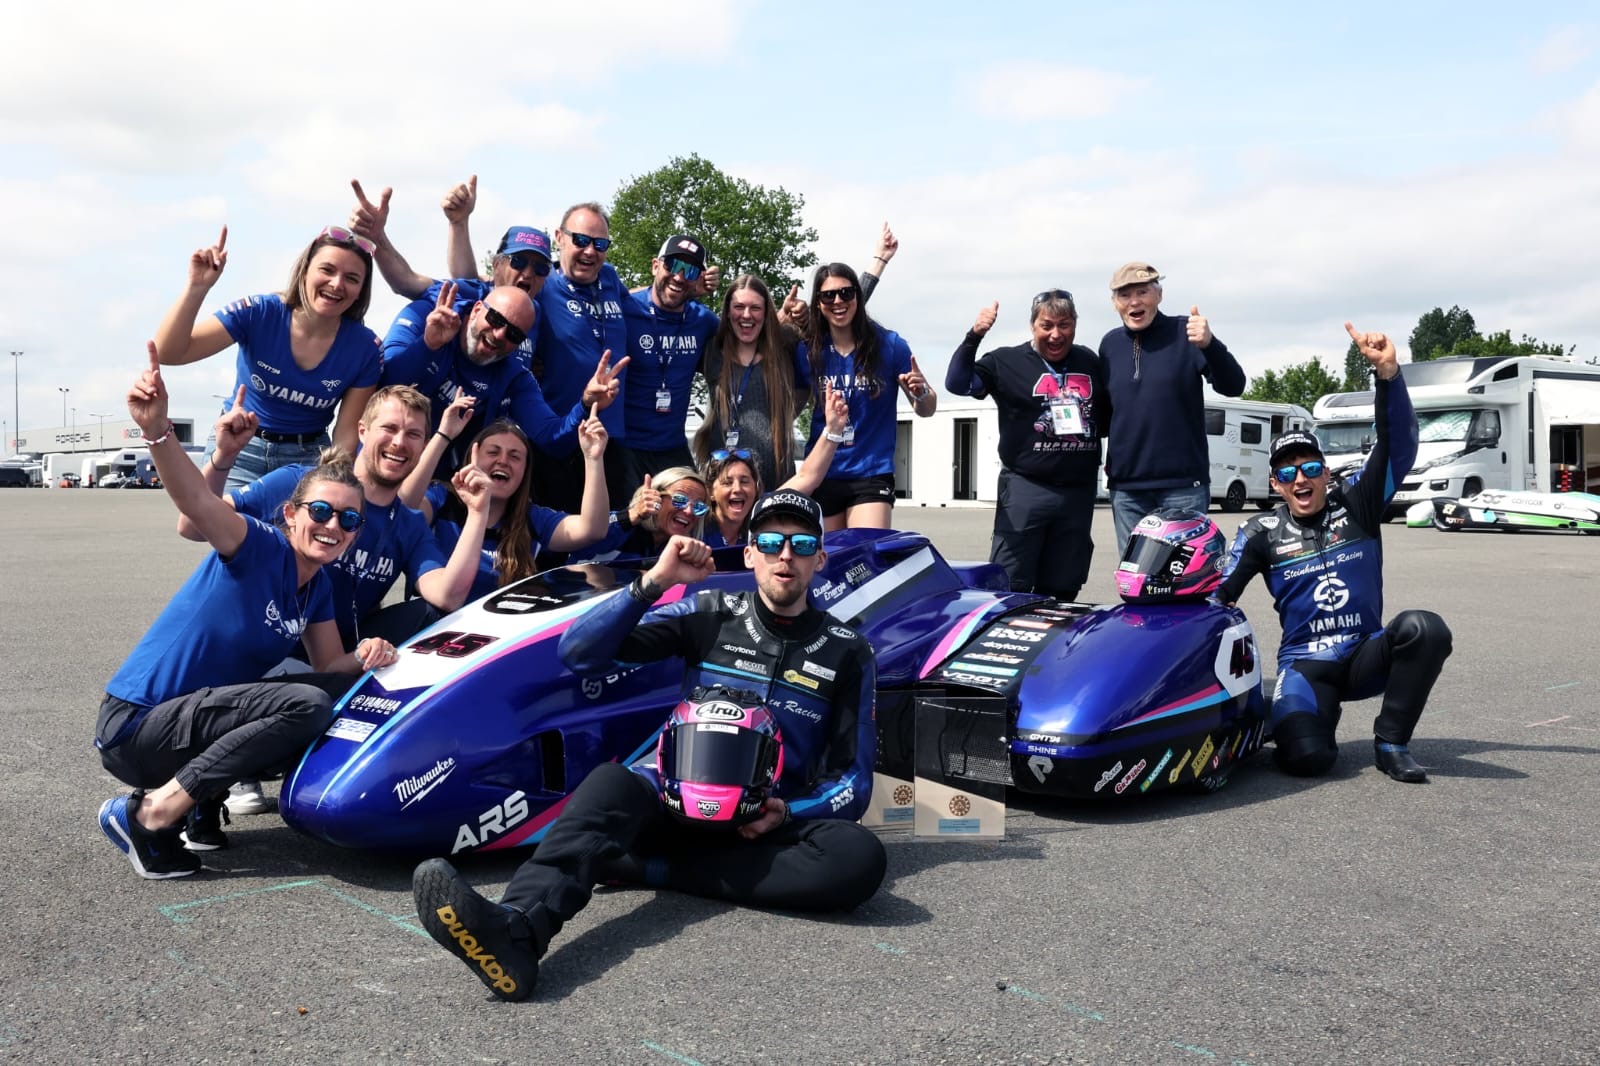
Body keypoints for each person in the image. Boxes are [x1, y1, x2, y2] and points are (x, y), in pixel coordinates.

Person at [411, 489, 884, 1001]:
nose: (784, 556)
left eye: (801, 544)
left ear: (820, 558)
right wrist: (653, 582)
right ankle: (517, 927)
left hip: (761, 826)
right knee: (610, 783)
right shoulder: (710, 611)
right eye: (770, 543)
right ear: (750, 554)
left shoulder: (848, 652)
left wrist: (786, 812)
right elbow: (579, 653)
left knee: (857, 857)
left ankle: (648, 866)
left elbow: (853, 781)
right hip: (675, 803)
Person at [96, 343, 400, 879]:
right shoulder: (258, 545)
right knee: (305, 705)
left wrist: (371, 654)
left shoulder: (317, 586)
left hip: (191, 722)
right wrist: (158, 430)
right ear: (291, 514)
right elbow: (196, 504)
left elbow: (331, 665)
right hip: (136, 726)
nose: (333, 526)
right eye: (321, 511)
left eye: (348, 520)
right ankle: (151, 813)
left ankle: (192, 811)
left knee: (340, 694)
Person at [179, 383, 491, 817]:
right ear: (362, 430)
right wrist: (222, 458)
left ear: (424, 445)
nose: (400, 442)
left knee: (426, 616)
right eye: (389, 428)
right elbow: (193, 526)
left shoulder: (407, 523)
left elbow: (448, 594)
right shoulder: (302, 484)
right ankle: (221, 766)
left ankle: (364, 756)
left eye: (413, 434)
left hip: (331, 656)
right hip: (262, 654)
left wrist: (478, 512)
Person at [1217, 323, 1452, 783]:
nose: (1300, 479)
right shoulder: (1259, 531)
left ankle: (1391, 743)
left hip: (1365, 655)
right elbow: (1218, 596)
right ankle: (1281, 718)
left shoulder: (1358, 503)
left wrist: (1388, 376)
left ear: (1325, 473)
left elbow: (1398, 447)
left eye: (1309, 467)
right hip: (1306, 667)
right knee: (1308, 761)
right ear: (1276, 485)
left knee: (1425, 629)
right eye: (1288, 473)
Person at [154, 225, 383, 490]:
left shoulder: (365, 349)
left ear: (361, 290)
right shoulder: (259, 312)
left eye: (352, 278)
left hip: (307, 458)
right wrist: (196, 287)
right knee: (209, 516)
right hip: (238, 446)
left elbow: (345, 436)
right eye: (327, 270)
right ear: (305, 270)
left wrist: (334, 486)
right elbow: (169, 352)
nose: (337, 284)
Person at [945, 290, 1108, 600]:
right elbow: (957, 383)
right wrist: (974, 336)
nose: (1056, 334)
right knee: (1011, 583)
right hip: (1025, 488)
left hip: (1078, 492)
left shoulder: (1089, 360)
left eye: (1065, 325)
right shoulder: (1006, 361)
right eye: (1047, 325)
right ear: (1033, 326)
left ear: (1075, 325)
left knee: (1064, 586)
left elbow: (1110, 414)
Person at [378, 283, 623, 476]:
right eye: (496, 319)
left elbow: (552, 439)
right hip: (385, 460)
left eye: (514, 334)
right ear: (477, 309)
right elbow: (383, 386)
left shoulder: (514, 377)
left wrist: (586, 405)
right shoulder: (427, 317)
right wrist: (428, 345)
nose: (499, 334)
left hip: (444, 485)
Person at [1097, 262, 1246, 555]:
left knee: (1184, 574)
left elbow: (1234, 385)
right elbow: (1106, 415)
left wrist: (1210, 344)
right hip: (1127, 490)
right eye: (1125, 295)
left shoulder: (1186, 333)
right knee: (1135, 574)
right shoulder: (1109, 345)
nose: (1134, 301)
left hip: (1183, 487)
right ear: (1115, 303)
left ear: (1159, 295)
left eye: (1143, 292)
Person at [402, 410, 611, 601]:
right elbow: (404, 508)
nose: (503, 461)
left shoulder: (532, 518)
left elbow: (592, 529)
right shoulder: (442, 498)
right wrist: (443, 436)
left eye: (514, 456)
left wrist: (593, 459)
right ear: (472, 458)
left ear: (524, 472)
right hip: (437, 621)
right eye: (493, 452)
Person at [798, 263, 936, 530]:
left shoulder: (890, 345)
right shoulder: (807, 351)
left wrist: (921, 393)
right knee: (829, 554)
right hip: (823, 470)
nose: (838, 301)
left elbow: (927, 408)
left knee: (865, 549)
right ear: (818, 303)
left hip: (871, 472)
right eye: (828, 295)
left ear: (858, 297)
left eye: (846, 293)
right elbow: (791, 408)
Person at [608, 235, 721, 506]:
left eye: (690, 271)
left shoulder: (703, 320)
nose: (679, 277)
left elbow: (746, 329)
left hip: (672, 447)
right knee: (629, 523)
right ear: (655, 265)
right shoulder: (626, 308)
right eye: (672, 265)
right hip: (625, 448)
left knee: (693, 514)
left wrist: (786, 319)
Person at [701, 382, 849, 548]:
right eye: (727, 482)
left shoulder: (761, 512)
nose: (737, 489)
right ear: (710, 492)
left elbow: (807, 477)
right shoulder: (695, 525)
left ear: (756, 488)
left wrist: (833, 430)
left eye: (745, 481)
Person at [590, 466, 711, 558]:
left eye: (699, 507)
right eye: (679, 499)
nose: (689, 511)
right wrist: (631, 515)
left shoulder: (688, 550)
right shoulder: (626, 528)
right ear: (656, 496)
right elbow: (586, 542)